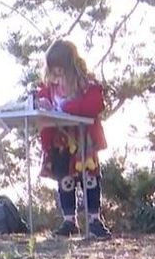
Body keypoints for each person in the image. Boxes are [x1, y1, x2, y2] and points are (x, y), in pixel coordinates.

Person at [36, 39, 110, 239]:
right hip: (60, 141)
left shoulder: (87, 84)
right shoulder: (49, 88)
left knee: (90, 178)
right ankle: (69, 220)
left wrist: (65, 108)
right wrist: (43, 103)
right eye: (54, 69)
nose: (57, 74)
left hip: (83, 141)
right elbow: (43, 104)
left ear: (70, 65)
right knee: (64, 180)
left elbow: (94, 106)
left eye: (61, 68)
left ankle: (94, 220)